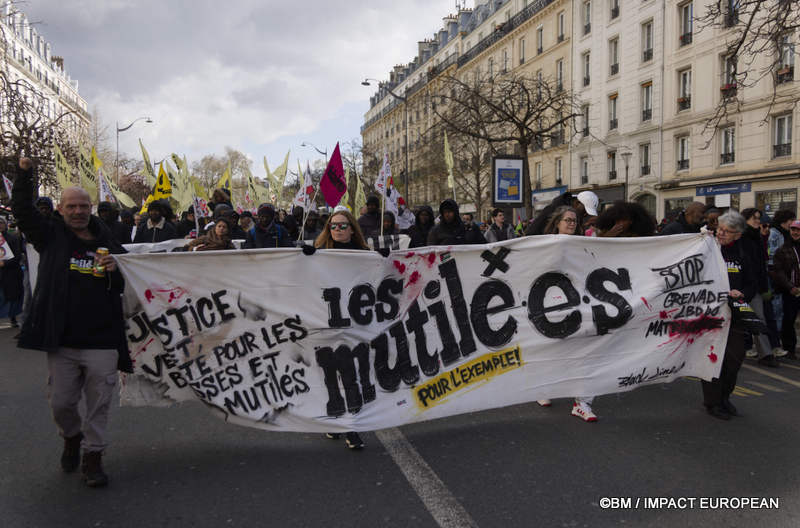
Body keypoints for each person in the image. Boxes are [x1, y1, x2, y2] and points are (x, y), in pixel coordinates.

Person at [11, 157, 131, 487]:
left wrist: (115, 269)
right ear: (61, 209)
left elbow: (128, 280)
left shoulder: (108, 241)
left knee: (99, 402)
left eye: (83, 206)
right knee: (62, 402)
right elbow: (21, 210)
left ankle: (93, 457)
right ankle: (72, 437)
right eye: (71, 206)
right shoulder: (49, 236)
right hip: (62, 340)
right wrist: (24, 174)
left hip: (102, 339)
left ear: (91, 208)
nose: (78, 211)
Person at [309, 209, 369, 449]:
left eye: (343, 226)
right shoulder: (318, 255)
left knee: (351, 372)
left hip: (356, 323)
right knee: (331, 372)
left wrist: (384, 258)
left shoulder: (365, 255)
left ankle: (350, 427)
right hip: (327, 321)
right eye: (333, 226)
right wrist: (305, 259)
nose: (338, 230)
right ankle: (337, 420)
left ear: (352, 229)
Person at [702, 211, 757, 420]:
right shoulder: (707, 249)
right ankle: (712, 402)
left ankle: (725, 397)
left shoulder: (744, 253)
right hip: (710, 313)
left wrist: (743, 294)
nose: (721, 233)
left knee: (735, 358)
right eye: (720, 229)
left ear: (738, 235)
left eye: (727, 231)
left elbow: (753, 283)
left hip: (735, 313)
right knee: (713, 358)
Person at [741, 208, 783, 366]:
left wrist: (764, 286)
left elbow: (760, 264)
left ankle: (765, 354)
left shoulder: (757, 237)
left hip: (755, 286)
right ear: (745, 219)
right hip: (741, 285)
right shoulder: (740, 237)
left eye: (758, 218)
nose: (758, 221)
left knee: (759, 320)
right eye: (754, 218)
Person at [772, 220, 800, 361]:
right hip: (791, 291)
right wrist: (790, 287)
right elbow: (778, 271)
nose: (795, 232)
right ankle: (789, 349)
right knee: (788, 320)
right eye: (793, 230)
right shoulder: (782, 250)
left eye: (798, 230)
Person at [525, 190, 598, 236]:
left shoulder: (577, 215)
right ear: (576, 203)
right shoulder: (552, 210)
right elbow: (532, 232)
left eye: (574, 221)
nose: (585, 215)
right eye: (568, 220)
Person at [0, 216, 25, 327]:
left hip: (11, 272)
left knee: (12, 296)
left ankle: (13, 318)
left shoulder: (12, 238)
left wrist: (5, 263)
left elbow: (17, 256)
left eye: (1, 223)